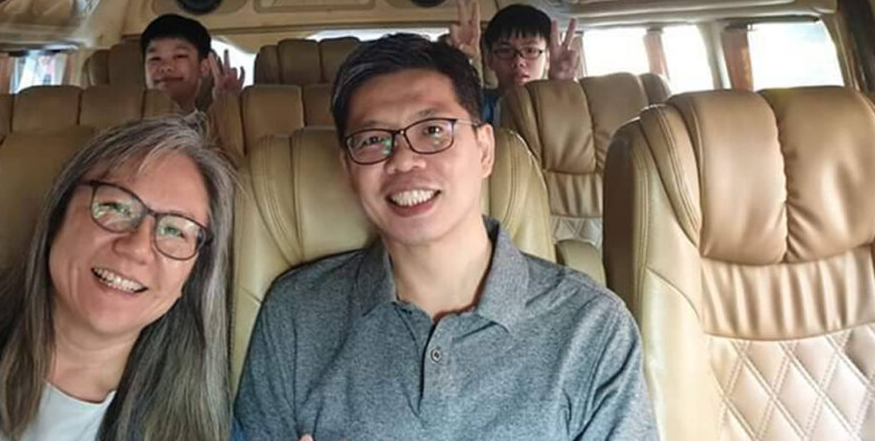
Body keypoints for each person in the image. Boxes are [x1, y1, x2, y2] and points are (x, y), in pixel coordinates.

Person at [235, 34, 658, 441]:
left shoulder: (590, 325)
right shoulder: (296, 315)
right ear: (348, 170)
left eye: (433, 130)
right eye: (373, 140)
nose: (404, 160)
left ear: (484, 150)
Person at [0, 116, 236, 441]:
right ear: (58, 215)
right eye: (116, 207)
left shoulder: (207, 425)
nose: (137, 248)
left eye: (176, 230)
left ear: (193, 275)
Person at [447, 0, 580, 122]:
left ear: (547, 58)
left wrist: (560, 85)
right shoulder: (479, 103)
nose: (518, 61)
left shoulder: (560, 106)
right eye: (505, 51)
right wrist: (461, 60)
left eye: (530, 50)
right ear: (489, 58)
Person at [142, 13, 245, 113]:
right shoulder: (133, 124)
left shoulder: (214, 123)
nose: (165, 66)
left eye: (179, 56)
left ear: (204, 67)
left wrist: (227, 107)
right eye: (155, 58)